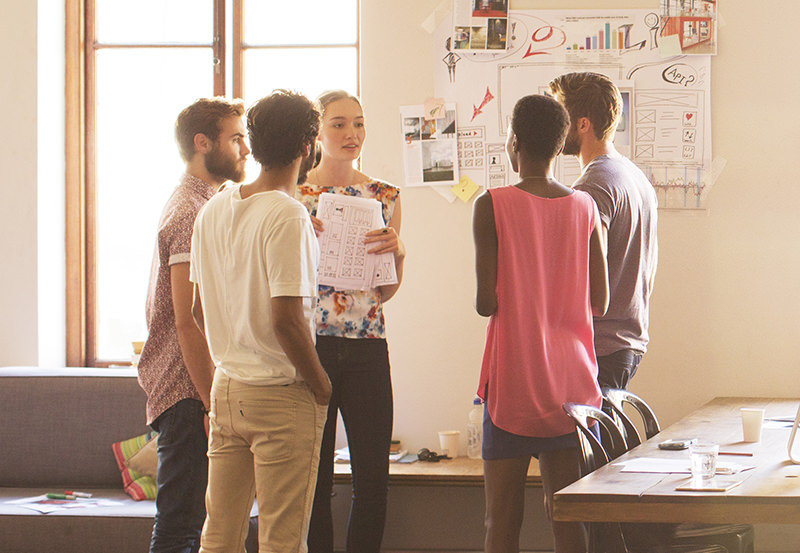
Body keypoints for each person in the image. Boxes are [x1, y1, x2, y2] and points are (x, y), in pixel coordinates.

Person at [190, 90, 332, 553]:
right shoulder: (287, 214)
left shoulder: (214, 207)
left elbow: (196, 310)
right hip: (279, 394)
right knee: (282, 540)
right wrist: (321, 384)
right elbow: (287, 321)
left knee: (220, 535)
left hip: (227, 389)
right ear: (308, 147)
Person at [472, 94, 609, 553]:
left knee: (501, 521)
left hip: (514, 380)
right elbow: (601, 300)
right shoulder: (586, 206)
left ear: (514, 144)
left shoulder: (491, 203)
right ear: (559, 146)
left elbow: (484, 302)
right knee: (568, 518)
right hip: (572, 386)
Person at [295, 90, 406, 553]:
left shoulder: (383, 194)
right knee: (315, 481)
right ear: (318, 131)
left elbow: (385, 291)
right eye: (339, 124)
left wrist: (398, 250)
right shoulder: (295, 196)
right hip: (311, 345)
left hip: (367, 344)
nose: (351, 134)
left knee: (373, 479)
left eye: (358, 124)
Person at [137, 97, 248, 553]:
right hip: (187, 388)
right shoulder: (191, 212)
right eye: (236, 138)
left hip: (191, 387)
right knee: (181, 524)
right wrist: (212, 403)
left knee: (195, 523)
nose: (246, 149)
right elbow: (188, 320)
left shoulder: (209, 202)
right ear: (204, 143)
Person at [549, 72, 658, 391]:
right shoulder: (634, 176)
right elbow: (649, 271)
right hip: (628, 342)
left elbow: (576, 273)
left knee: (582, 443)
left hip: (600, 347)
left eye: (560, 117)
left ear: (583, 124)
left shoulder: (593, 185)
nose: (555, 127)